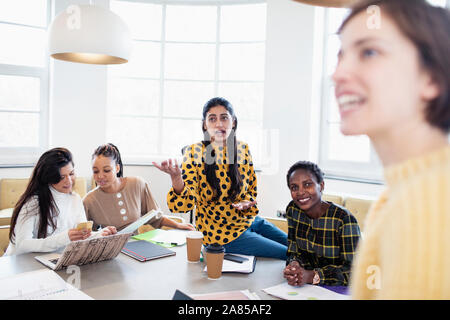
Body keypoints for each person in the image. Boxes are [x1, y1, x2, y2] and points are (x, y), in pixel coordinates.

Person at [333, 0, 450, 299]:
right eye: (340, 55)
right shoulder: (402, 193)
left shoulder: (431, 200)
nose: (338, 73)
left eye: (369, 52)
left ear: (432, 78)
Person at [153, 97, 288, 260]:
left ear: (234, 122)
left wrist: (247, 202)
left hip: (249, 221)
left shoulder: (243, 148)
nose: (219, 124)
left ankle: (322, 274)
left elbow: (251, 188)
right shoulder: (194, 153)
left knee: (297, 244)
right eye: (212, 119)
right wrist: (176, 178)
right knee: (288, 253)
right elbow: (183, 205)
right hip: (222, 234)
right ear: (204, 124)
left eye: (224, 117)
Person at [6, 148, 116, 256]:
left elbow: (81, 235)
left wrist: (100, 234)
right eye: (61, 177)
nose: (69, 181)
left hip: (50, 262)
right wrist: (64, 238)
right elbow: (22, 245)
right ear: (49, 177)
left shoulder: (75, 199)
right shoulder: (32, 202)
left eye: (71, 174)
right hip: (21, 265)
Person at [83, 143, 195, 232]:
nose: (100, 176)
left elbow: (155, 217)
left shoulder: (137, 184)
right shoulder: (89, 201)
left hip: (137, 248)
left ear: (117, 168)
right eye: (95, 171)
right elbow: (86, 237)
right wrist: (100, 234)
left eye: (107, 170)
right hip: (109, 252)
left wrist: (178, 225)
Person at [283, 161, 361, 286]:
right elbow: (293, 251)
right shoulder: (293, 210)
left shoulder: (344, 220)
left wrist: (312, 276)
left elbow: (354, 272)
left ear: (321, 186)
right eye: (294, 187)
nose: (300, 192)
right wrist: (294, 265)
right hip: (308, 289)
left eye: (307, 184)